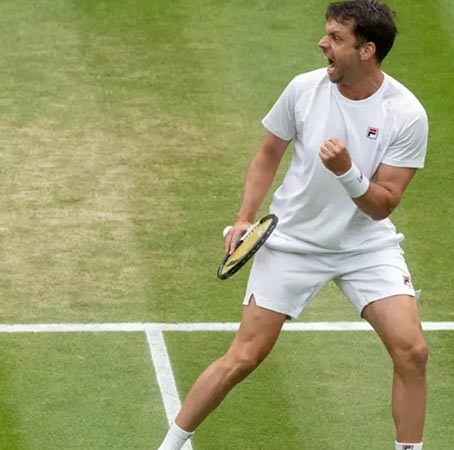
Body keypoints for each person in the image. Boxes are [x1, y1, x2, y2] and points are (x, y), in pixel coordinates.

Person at [157, 1, 429, 449]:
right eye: (327, 35)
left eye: (336, 39)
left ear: (367, 50)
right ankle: (169, 445)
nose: (323, 44)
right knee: (243, 358)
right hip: (293, 242)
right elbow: (268, 153)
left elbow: (382, 205)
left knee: (413, 352)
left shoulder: (406, 114)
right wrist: (245, 217)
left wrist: (347, 171)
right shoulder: (304, 89)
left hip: (365, 246)